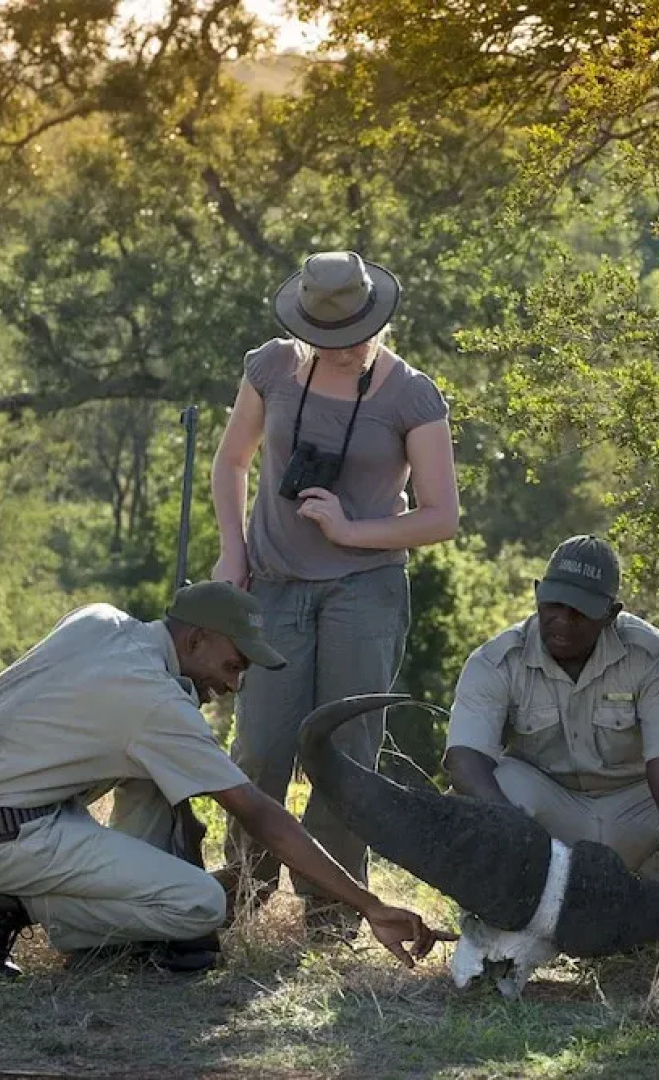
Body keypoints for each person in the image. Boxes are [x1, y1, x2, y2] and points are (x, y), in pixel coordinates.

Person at [0, 581, 451, 980]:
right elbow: (260, 814)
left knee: (154, 778)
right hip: (3, 838)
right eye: (233, 662)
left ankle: (91, 916)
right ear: (196, 638)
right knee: (200, 907)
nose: (233, 683)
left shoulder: (98, 619)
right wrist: (369, 904)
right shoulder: (154, 701)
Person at [209, 251, 459, 939]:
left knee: (346, 754)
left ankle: (333, 916)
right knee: (259, 747)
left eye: (352, 329)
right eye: (325, 332)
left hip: (365, 588)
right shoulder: (270, 368)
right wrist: (233, 552)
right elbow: (232, 461)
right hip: (275, 584)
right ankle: (242, 902)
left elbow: (441, 516)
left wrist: (353, 530)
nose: (341, 344)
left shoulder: (411, 394)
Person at [444, 535, 659, 893]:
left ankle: (644, 913)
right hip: (549, 813)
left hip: (636, 801)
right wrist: (512, 827)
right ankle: (527, 913)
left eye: (581, 611)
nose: (564, 621)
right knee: (486, 796)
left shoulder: (653, 656)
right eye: (554, 604)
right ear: (538, 593)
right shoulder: (496, 661)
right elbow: (465, 760)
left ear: (610, 613)